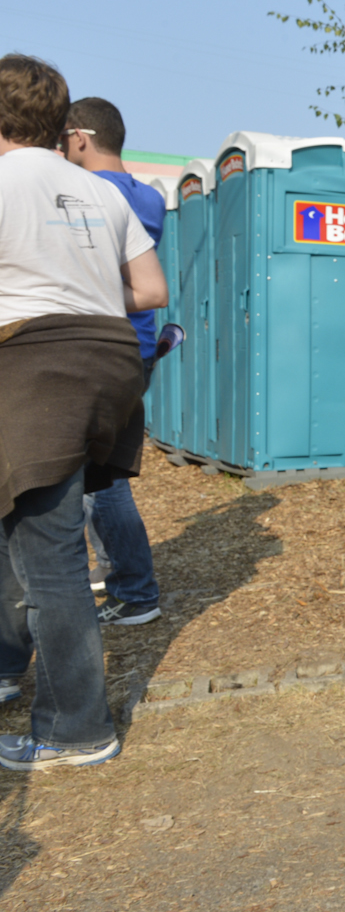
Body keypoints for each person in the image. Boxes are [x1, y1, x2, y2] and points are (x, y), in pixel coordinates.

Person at [0, 53, 167, 769]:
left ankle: (76, 727)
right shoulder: (102, 191)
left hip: (35, 366)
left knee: (51, 556)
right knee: (28, 530)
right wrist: (83, 291)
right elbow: (151, 288)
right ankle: (9, 664)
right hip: (107, 364)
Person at [61, 97, 165, 627]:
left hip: (100, 349)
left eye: (60, 138)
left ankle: (136, 590)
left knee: (100, 484)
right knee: (98, 477)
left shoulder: (93, 194)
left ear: (80, 137)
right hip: (136, 349)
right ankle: (124, 576)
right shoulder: (147, 195)